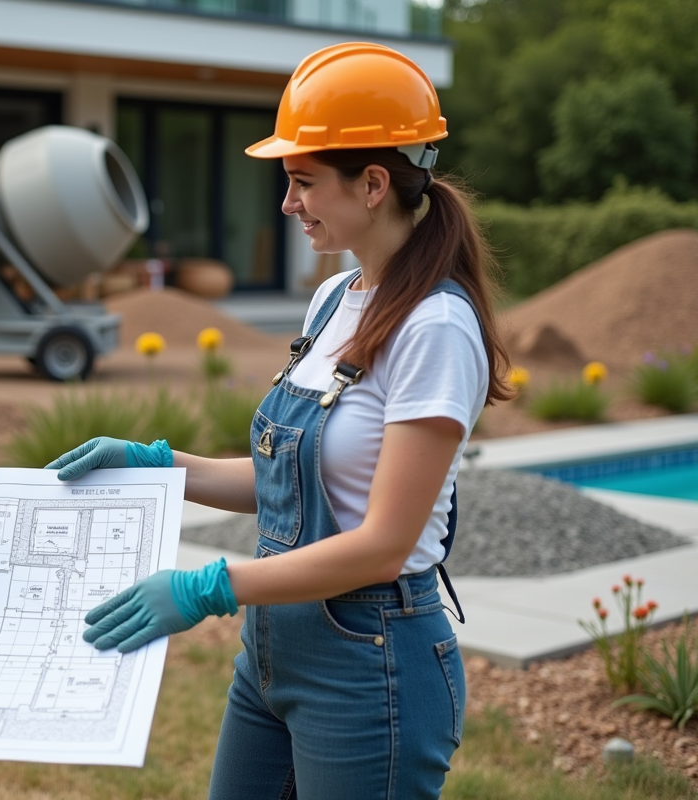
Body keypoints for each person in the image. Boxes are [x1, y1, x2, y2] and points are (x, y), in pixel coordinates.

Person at [47, 43, 514, 798]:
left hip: (371, 660)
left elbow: (383, 546)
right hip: (273, 651)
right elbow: (291, 480)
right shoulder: (334, 299)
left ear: (371, 184)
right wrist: (160, 463)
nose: (288, 204)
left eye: (302, 182)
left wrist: (209, 587)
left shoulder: (435, 328)